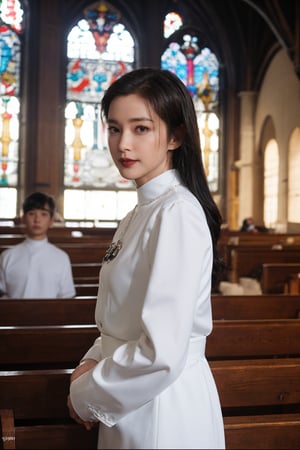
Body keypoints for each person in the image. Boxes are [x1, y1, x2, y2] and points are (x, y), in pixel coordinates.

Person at [67, 68, 225, 449]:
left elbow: (161, 352)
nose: (123, 144)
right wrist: (89, 363)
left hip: (162, 408)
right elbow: (119, 318)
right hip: (128, 394)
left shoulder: (177, 214)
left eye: (141, 129)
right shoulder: (141, 212)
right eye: (114, 128)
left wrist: (84, 395)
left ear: (176, 135)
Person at [0, 192, 76, 298]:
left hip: (51, 314)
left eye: (43, 214)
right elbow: (3, 294)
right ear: (23, 219)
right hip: (14, 314)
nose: (37, 220)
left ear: (51, 221)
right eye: (31, 213)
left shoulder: (61, 257)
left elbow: (67, 297)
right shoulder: (7, 256)